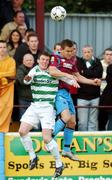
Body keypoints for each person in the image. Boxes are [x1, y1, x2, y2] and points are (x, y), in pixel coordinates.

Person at [49, 39, 101, 161]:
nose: (70, 53)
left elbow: (78, 76)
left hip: (66, 93)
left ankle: (66, 150)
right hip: (57, 92)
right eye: (68, 51)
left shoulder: (72, 60)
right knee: (66, 117)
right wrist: (67, 75)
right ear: (61, 50)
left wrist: (92, 82)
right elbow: (52, 71)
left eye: (72, 50)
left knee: (72, 122)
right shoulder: (55, 58)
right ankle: (49, 139)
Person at [18, 51, 64, 178]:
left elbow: (67, 78)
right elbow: (27, 80)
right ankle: (33, 156)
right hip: (35, 106)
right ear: (38, 60)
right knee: (22, 131)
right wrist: (27, 79)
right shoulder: (34, 70)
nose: (44, 62)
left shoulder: (53, 71)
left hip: (48, 107)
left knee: (46, 138)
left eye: (47, 60)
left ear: (49, 61)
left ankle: (59, 164)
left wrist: (76, 80)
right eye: (42, 59)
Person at [76, 45, 103, 131]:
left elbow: (99, 74)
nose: (87, 54)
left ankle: (92, 142)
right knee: (82, 122)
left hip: (95, 96)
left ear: (92, 52)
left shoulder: (98, 62)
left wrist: (84, 72)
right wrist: (91, 73)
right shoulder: (78, 62)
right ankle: (81, 141)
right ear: (82, 53)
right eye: (85, 52)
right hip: (82, 97)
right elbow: (79, 75)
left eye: (89, 52)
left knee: (93, 122)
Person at [0, 40, 16, 132]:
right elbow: (7, 75)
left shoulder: (11, 61)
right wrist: (3, 76)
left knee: (5, 110)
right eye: (0, 47)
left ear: (7, 49)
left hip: (7, 90)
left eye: (4, 47)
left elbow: (12, 74)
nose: (2, 49)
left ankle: (1, 142)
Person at [16, 53, 34, 119]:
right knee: (24, 118)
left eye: (30, 60)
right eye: (27, 60)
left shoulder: (36, 68)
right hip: (24, 99)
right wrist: (28, 79)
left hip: (34, 99)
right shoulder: (20, 69)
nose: (29, 62)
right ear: (23, 61)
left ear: (33, 61)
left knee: (34, 119)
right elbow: (22, 81)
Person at [99, 48, 112, 130]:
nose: (109, 56)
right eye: (107, 54)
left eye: (111, 55)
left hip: (108, 95)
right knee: (101, 119)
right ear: (104, 55)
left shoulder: (110, 67)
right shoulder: (99, 64)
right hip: (99, 94)